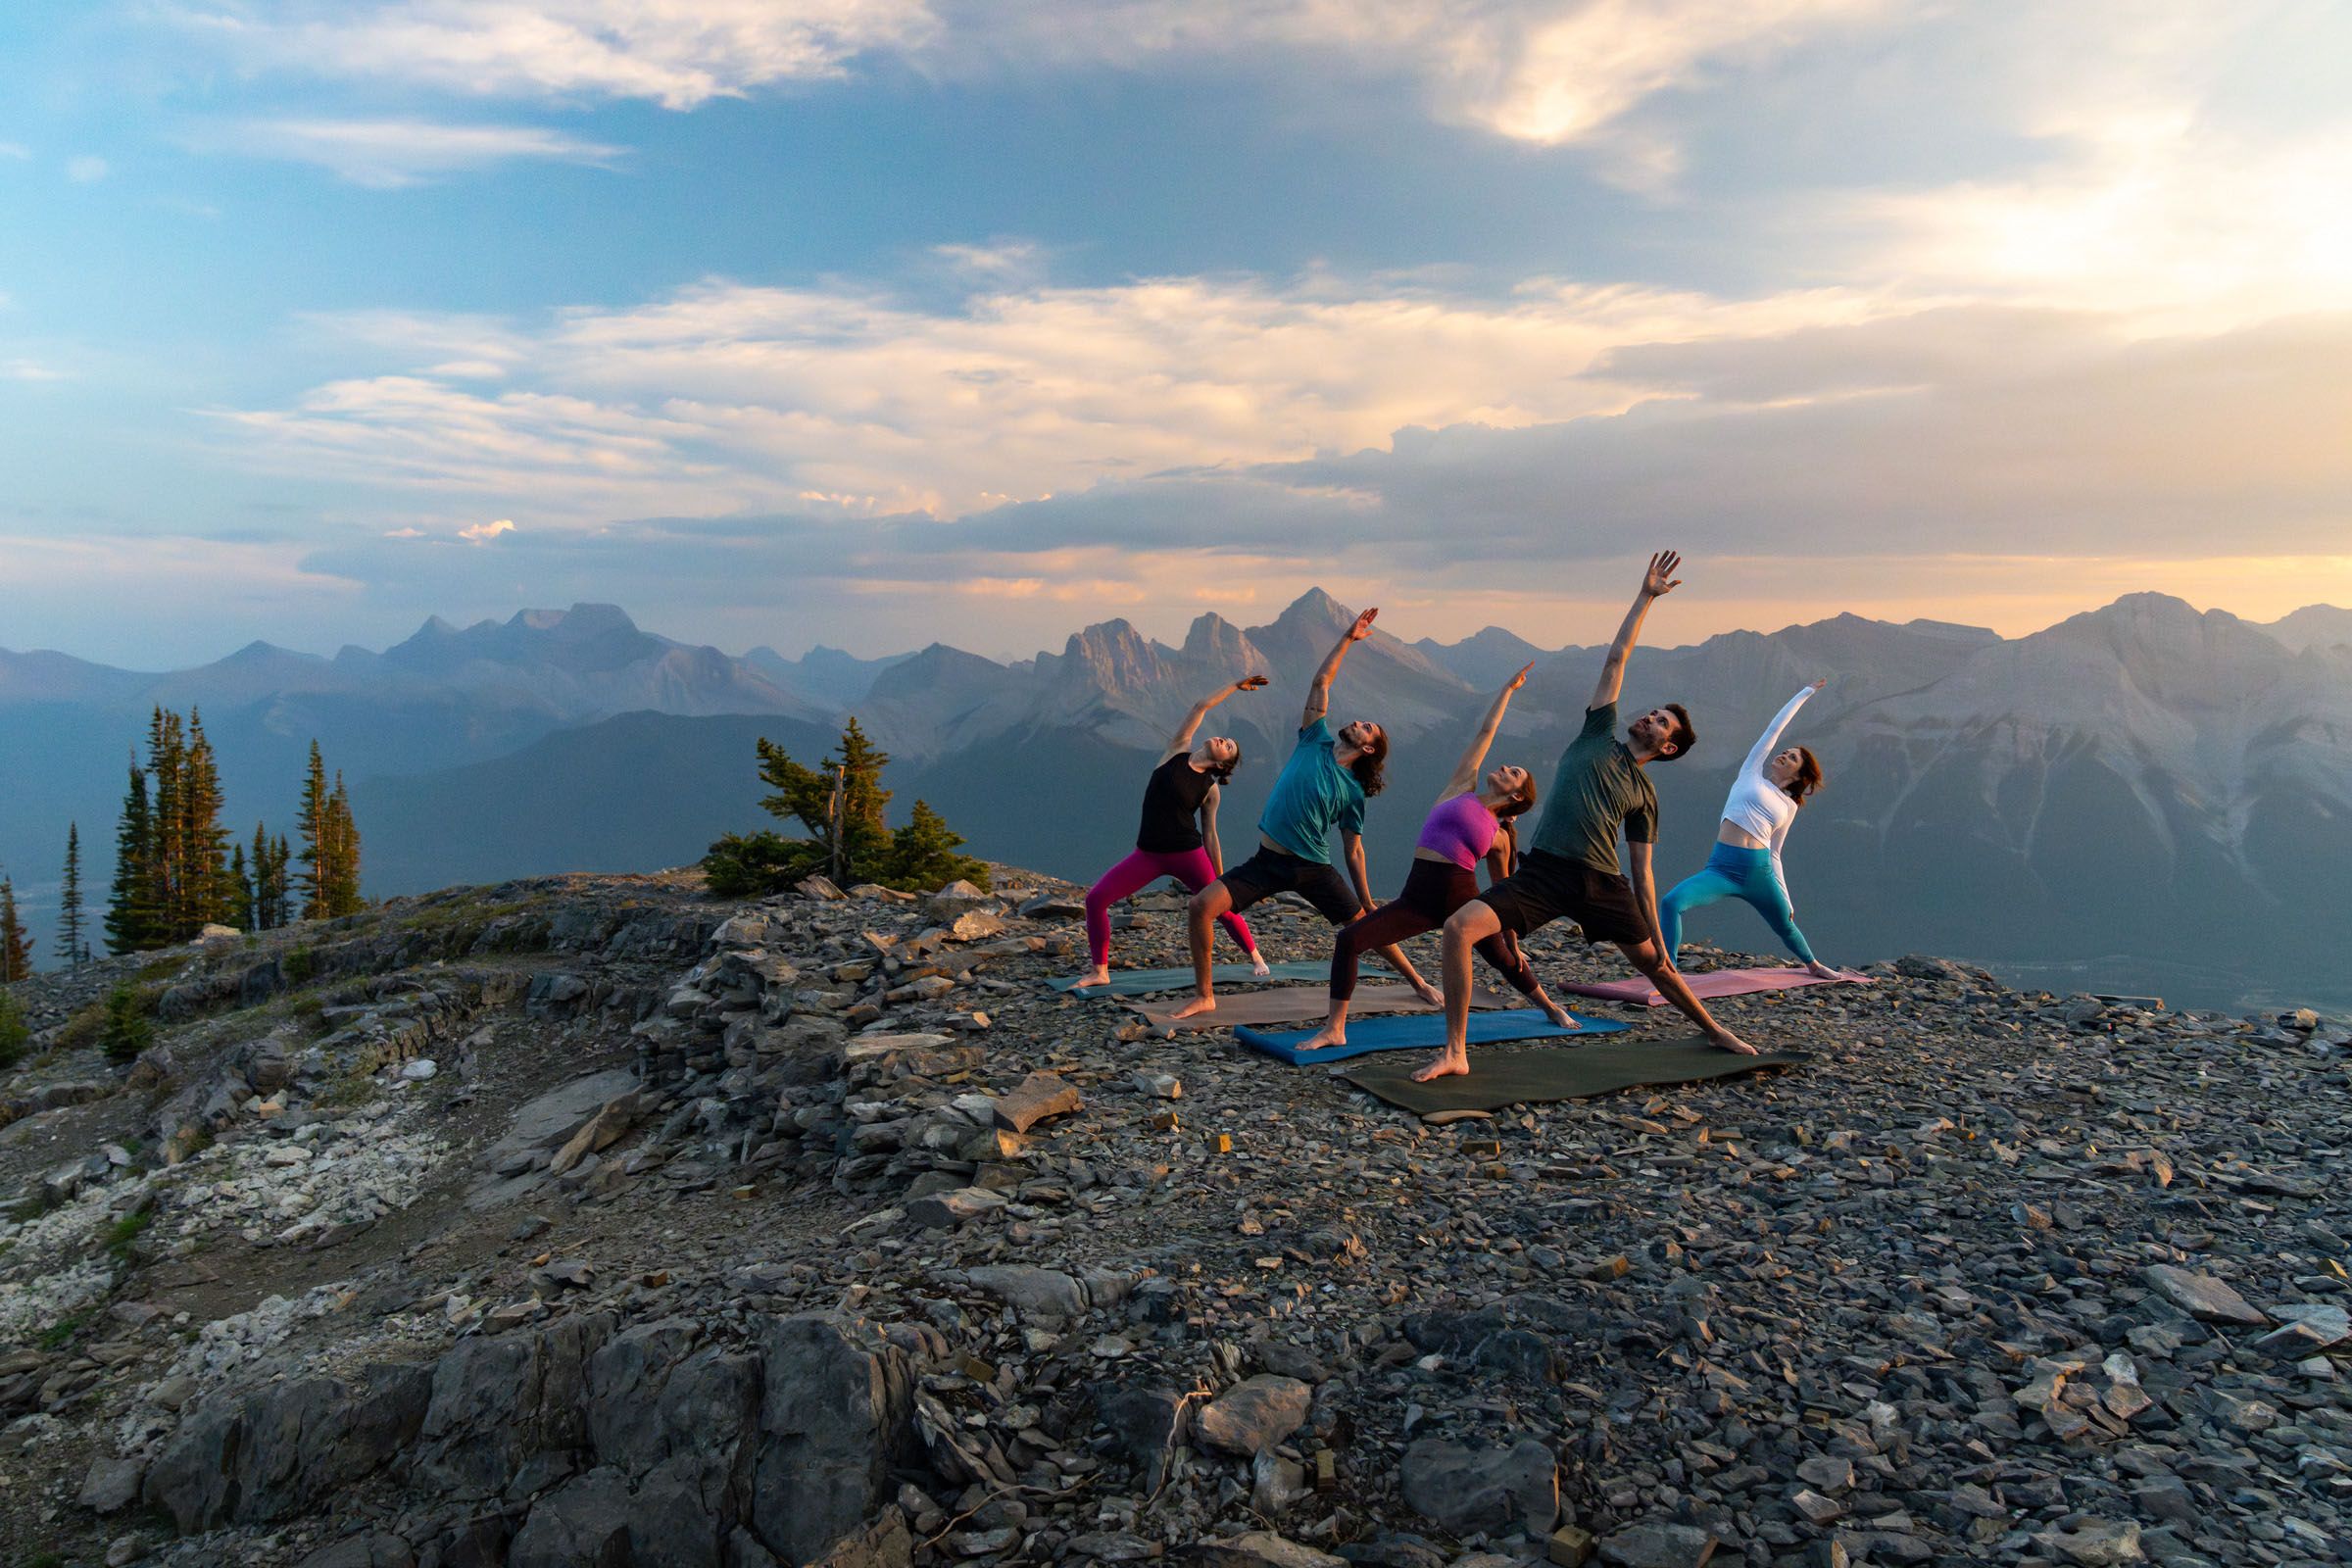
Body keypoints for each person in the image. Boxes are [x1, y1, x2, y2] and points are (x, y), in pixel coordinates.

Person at [1416, 551, 1759, 1081]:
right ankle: (1456, 1052)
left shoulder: (1646, 795)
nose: (1649, 716)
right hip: (1546, 873)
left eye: (1661, 721)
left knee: (1657, 967)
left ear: (1668, 748)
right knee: (1460, 928)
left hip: (1602, 884)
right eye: (1652, 711)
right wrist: (1645, 597)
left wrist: (1654, 927)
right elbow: (1616, 660)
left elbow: (1641, 869)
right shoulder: (1597, 733)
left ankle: (1713, 1030)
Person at [1293, 662, 1583, 1052]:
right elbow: (1486, 731)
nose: (1503, 766)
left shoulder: (1500, 837)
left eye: (1513, 771)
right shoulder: (1461, 787)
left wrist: (1511, 938)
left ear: (1517, 796)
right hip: (1417, 899)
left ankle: (1549, 1007)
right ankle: (1335, 1028)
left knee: (1504, 960)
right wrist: (1508, 690)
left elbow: (1505, 892)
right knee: (1349, 941)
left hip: (1462, 901)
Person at [1170, 607, 1434, 1021]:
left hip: (1312, 868)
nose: (1359, 723)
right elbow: (1321, 682)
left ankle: (1418, 982)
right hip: (1267, 861)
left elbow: (1355, 850)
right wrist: (1349, 637)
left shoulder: (1352, 791)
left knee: (1362, 927)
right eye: (1363, 722)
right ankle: (1205, 996)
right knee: (1200, 907)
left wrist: (1366, 900)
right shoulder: (1315, 739)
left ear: (1367, 749)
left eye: (1368, 729)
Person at [1074, 675, 1275, 989]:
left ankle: (1256, 956)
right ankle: (1100, 971)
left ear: (1223, 766)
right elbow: (1200, 706)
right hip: (1148, 854)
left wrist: (1221, 878)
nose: (1224, 740)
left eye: (1230, 747)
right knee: (1095, 900)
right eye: (1225, 738)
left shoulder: (1211, 788)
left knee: (1218, 906)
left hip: (1187, 854)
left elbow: (1211, 835)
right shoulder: (1176, 751)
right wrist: (1235, 686)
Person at [1657, 680, 1841, 976]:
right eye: (1785, 752)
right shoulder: (1751, 772)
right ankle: (1669, 973)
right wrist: (1805, 693)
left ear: (1799, 775)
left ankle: (1814, 965)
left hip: (1759, 873)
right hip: (1721, 869)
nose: (1783, 755)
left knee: (1785, 923)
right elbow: (1774, 729)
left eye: (1792, 757)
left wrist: (1786, 896)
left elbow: (1776, 853)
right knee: (1671, 903)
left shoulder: (1789, 807)